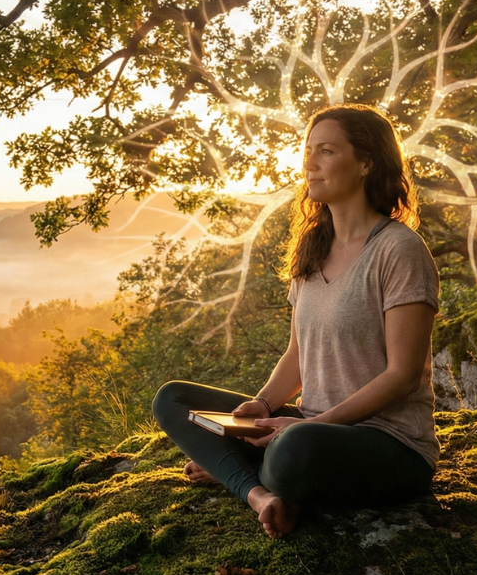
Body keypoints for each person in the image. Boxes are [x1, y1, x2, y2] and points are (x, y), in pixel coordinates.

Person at [152, 103, 440, 538]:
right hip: (309, 424)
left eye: (325, 151)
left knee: (294, 448)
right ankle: (261, 495)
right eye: (308, 150)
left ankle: (238, 469)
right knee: (173, 399)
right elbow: (299, 352)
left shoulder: (398, 250)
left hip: (388, 445)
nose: (309, 163)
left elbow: (402, 375)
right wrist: (264, 406)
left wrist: (306, 425)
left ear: (366, 162)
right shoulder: (312, 249)